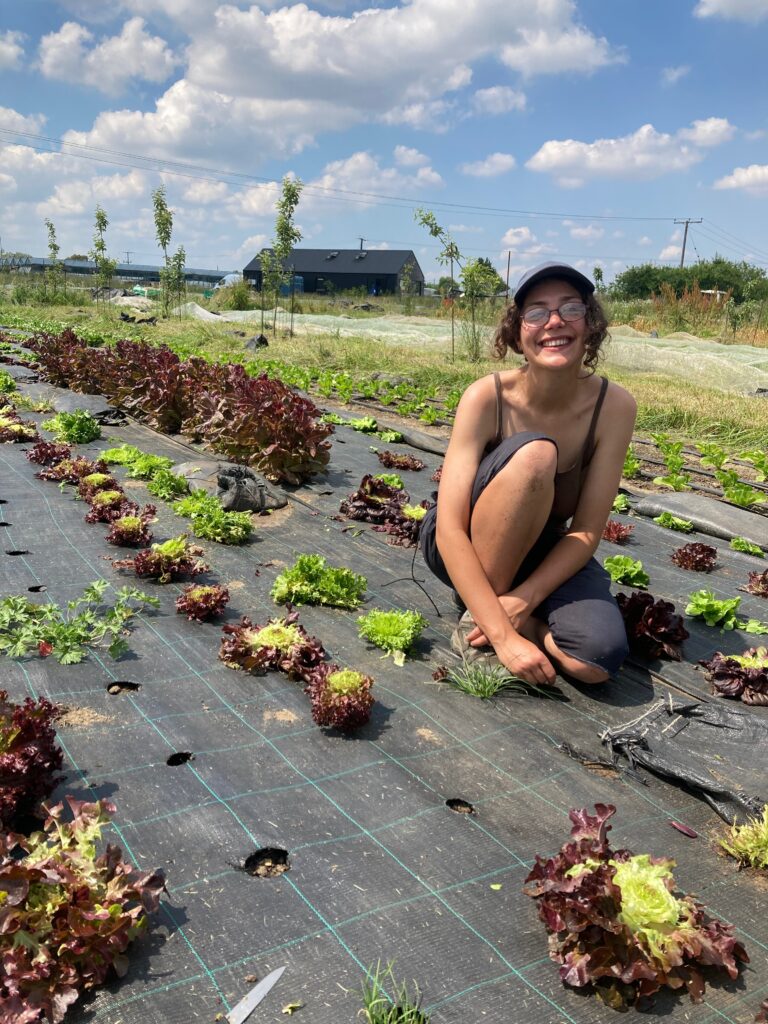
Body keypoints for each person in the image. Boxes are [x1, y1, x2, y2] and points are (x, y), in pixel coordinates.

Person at [420, 262, 637, 687]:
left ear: (589, 324)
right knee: (537, 455)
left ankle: (515, 617)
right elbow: (448, 527)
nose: (554, 322)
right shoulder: (487, 397)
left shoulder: (614, 407)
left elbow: (586, 532)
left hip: (544, 549)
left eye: (570, 309)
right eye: (536, 312)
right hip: (461, 541)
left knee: (595, 662)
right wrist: (502, 638)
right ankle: (482, 625)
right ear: (517, 332)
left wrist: (526, 599)